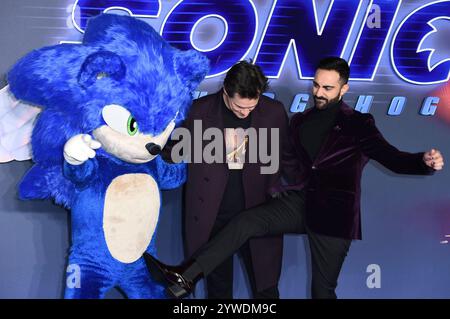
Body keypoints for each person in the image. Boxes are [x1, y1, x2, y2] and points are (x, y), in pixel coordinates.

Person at [144, 57, 444, 299]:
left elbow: (388, 156)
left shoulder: (356, 123)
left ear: (344, 89)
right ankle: (186, 275)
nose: (319, 92)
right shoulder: (300, 120)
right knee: (239, 238)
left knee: (319, 291)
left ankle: (186, 274)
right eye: (316, 85)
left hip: (331, 213)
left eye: (328, 88)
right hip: (276, 205)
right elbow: (289, 160)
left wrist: (422, 162)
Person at [156, 61, 291, 299]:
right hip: (213, 219)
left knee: (267, 290)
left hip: (257, 215)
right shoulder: (198, 111)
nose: (245, 112)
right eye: (240, 107)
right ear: (225, 92)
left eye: (252, 105)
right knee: (218, 292)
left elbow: (288, 158)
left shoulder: (274, 112)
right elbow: (172, 152)